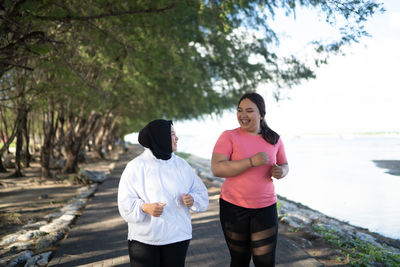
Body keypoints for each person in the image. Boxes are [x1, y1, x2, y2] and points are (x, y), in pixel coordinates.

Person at [211, 92, 289, 267]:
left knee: (266, 261)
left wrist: (281, 171)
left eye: (249, 111)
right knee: (240, 260)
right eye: (240, 110)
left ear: (261, 115)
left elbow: (285, 164)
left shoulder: (274, 139)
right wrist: (251, 162)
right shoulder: (229, 136)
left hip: (265, 208)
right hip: (233, 208)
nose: (243, 115)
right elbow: (217, 168)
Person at [118, 119, 209, 267]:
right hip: (145, 239)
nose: (177, 138)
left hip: (177, 237)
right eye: (172, 134)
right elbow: (124, 202)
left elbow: (200, 192)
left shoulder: (182, 165)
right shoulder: (135, 167)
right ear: (160, 137)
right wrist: (145, 207)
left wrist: (193, 199)